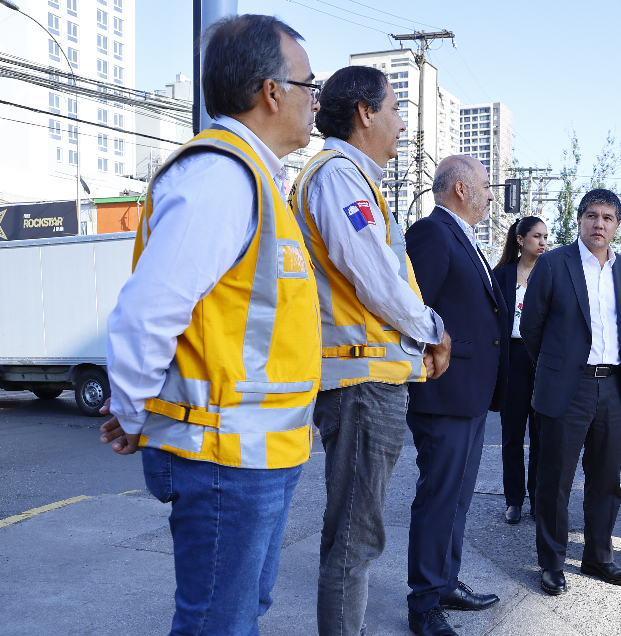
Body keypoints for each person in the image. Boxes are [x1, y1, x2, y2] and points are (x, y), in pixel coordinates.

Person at [98, 15, 322, 633]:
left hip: (253, 454)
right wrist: (139, 413)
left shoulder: (255, 179)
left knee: (238, 616)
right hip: (225, 459)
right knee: (217, 626)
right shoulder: (222, 178)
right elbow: (145, 315)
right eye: (310, 84)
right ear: (272, 91)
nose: (315, 100)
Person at [288, 65, 451, 636]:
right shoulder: (338, 176)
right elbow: (374, 276)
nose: (402, 124)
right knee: (355, 543)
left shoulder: (352, 178)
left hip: (370, 377)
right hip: (360, 385)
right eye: (396, 110)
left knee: (354, 537)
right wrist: (431, 329)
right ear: (364, 113)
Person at [403, 155, 509, 636]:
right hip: (443, 390)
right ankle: (423, 603)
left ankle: (444, 581)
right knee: (439, 496)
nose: (491, 194)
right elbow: (411, 305)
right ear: (461, 189)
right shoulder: (432, 232)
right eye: (486, 186)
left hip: (468, 392)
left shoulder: (463, 236)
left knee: (459, 498)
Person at [520, 189, 621, 596]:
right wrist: (557, 369)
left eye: (607, 218)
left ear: (617, 226)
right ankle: (551, 563)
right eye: (591, 216)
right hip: (567, 387)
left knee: (606, 478)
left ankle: (598, 556)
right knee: (555, 480)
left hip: (612, 385)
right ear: (579, 220)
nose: (599, 224)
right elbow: (531, 328)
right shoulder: (554, 263)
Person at [494, 216, 548, 524]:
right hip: (512, 359)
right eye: (536, 236)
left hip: (542, 360)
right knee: (512, 435)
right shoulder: (501, 276)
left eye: (545, 237)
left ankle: (538, 499)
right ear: (520, 239)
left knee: (541, 435)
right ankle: (513, 500)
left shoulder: (551, 273)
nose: (542, 242)